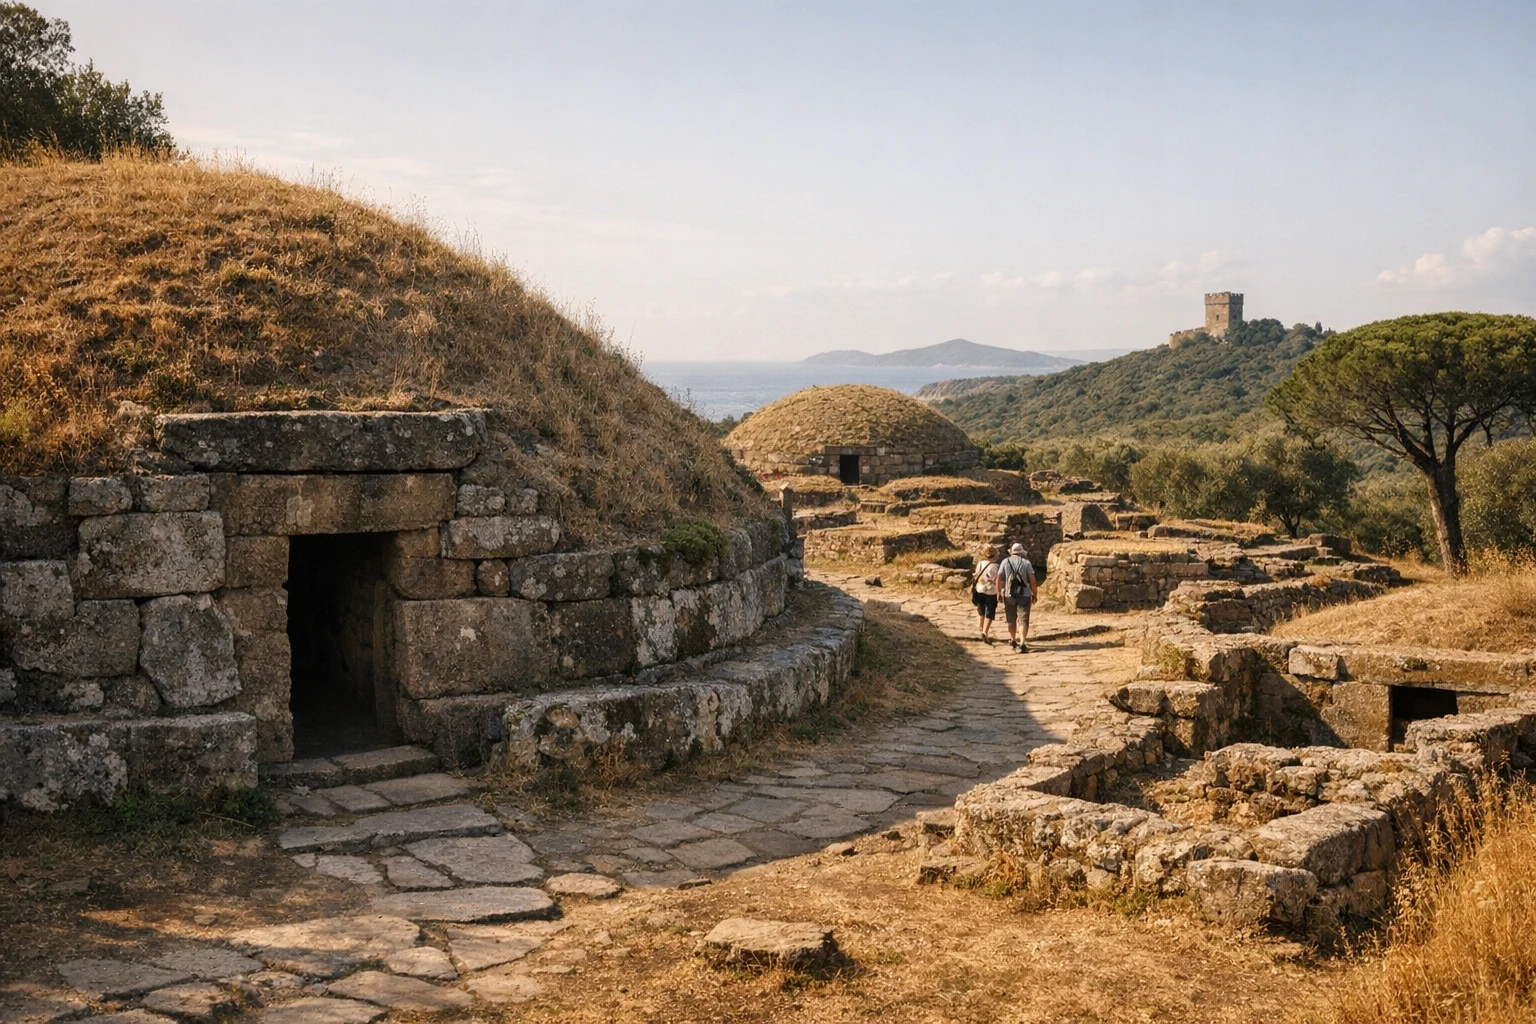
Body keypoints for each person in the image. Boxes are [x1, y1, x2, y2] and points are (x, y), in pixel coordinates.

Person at [998, 542, 1037, 652]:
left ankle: (1012, 639)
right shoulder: (1026, 563)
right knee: (1023, 619)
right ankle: (1023, 641)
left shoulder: (1005, 562)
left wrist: (998, 592)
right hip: (1024, 594)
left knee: (1011, 619)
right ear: (1021, 553)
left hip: (1009, 594)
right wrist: (1034, 593)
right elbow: (1032, 579)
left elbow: (999, 578)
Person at [970, 544, 1001, 643]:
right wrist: (1000, 591)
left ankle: (980, 626)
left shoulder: (980, 564)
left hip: (980, 589)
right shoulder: (996, 566)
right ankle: (985, 631)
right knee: (990, 612)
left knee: (981, 607)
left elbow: (976, 574)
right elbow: (997, 580)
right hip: (991, 591)